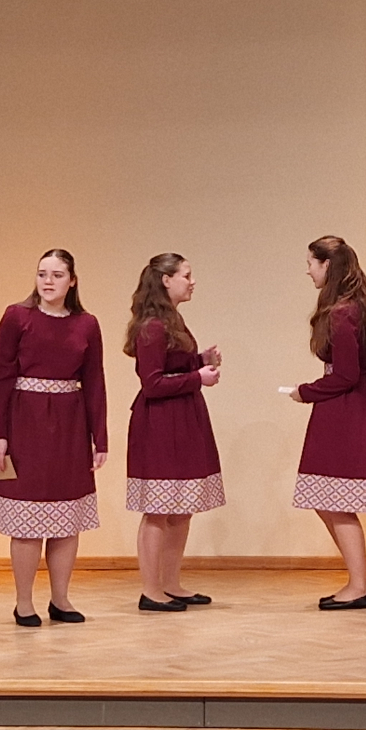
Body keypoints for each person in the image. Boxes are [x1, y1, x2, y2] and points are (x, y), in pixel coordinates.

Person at [0, 249, 107, 626]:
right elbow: (1, 375)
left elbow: (94, 381)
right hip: (26, 423)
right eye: (42, 274)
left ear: (72, 281)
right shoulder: (17, 317)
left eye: (57, 275)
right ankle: (24, 603)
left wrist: (100, 437)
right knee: (27, 519)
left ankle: (61, 599)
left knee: (66, 518)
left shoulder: (87, 324)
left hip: (69, 427)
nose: (48, 281)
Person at [288, 236, 366, 610]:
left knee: (333, 500)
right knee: (328, 499)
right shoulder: (358, 307)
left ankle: (360, 584)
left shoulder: (342, 313)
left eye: (311, 263)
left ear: (327, 265)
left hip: (344, 411)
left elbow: (345, 375)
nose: (308, 271)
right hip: (352, 406)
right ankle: (358, 582)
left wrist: (305, 391)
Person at [124, 253, 224, 612]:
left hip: (181, 419)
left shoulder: (171, 320)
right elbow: (152, 383)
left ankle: (171, 583)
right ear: (166, 280)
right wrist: (197, 377)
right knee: (158, 509)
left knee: (181, 509)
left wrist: (199, 360)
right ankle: (151, 590)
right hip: (161, 425)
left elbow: (172, 365)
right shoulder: (152, 326)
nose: (192, 281)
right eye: (186, 275)